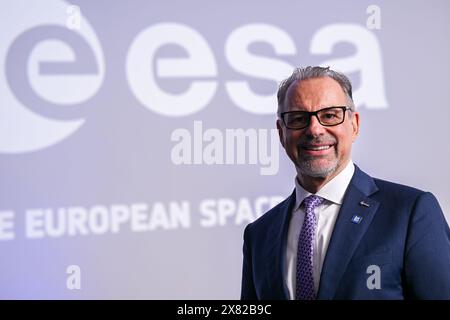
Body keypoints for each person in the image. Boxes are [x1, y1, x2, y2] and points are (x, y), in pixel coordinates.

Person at [240, 66, 450, 300]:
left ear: (354, 124)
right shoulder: (259, 235)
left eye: (329, 115)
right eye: (299, 118)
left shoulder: (410, 212)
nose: (315, 129)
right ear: (281, 132)